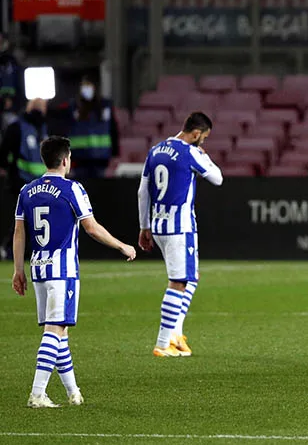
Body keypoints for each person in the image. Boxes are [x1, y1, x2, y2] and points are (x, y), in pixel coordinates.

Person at [12, 136, 136, 408]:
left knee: (60, 333)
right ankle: (37, 393)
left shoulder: (27, 191)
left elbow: (19, 232)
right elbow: (91, 227)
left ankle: (73, 392)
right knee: (54, 331)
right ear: (66, 160)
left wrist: (18, 270)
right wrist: (122, 245)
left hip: (38, 270)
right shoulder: (72, 189)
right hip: (62, 270)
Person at [137, 112, 223, 358]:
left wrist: (144, 226)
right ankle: (163, 343)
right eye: (203, 138)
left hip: (159, 224)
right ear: (196, 134)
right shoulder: (191, 152)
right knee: (178, 282)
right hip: (179, 226)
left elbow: (143, 192)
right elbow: (217, 179)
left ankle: (176, 333)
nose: (203, 143)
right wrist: (205, 158)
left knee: (191, 276)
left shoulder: (155, 151)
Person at [0, 98, 49, 258]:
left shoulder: (41, 128)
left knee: (27, 219)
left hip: (37, 181)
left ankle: (17, 250)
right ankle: (10, 248)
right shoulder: (18, 127)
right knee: (24, 219)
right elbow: (3, 154)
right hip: (21, 179)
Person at [67, 75, 119, 179]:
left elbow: (113, 128)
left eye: (89, 86)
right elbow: (65, 130)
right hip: (79, 158)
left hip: (101, 157)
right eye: (84, 86)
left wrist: (115, 151)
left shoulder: (105, 105)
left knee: (98, 189)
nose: (87, 89)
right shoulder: (73, 107)